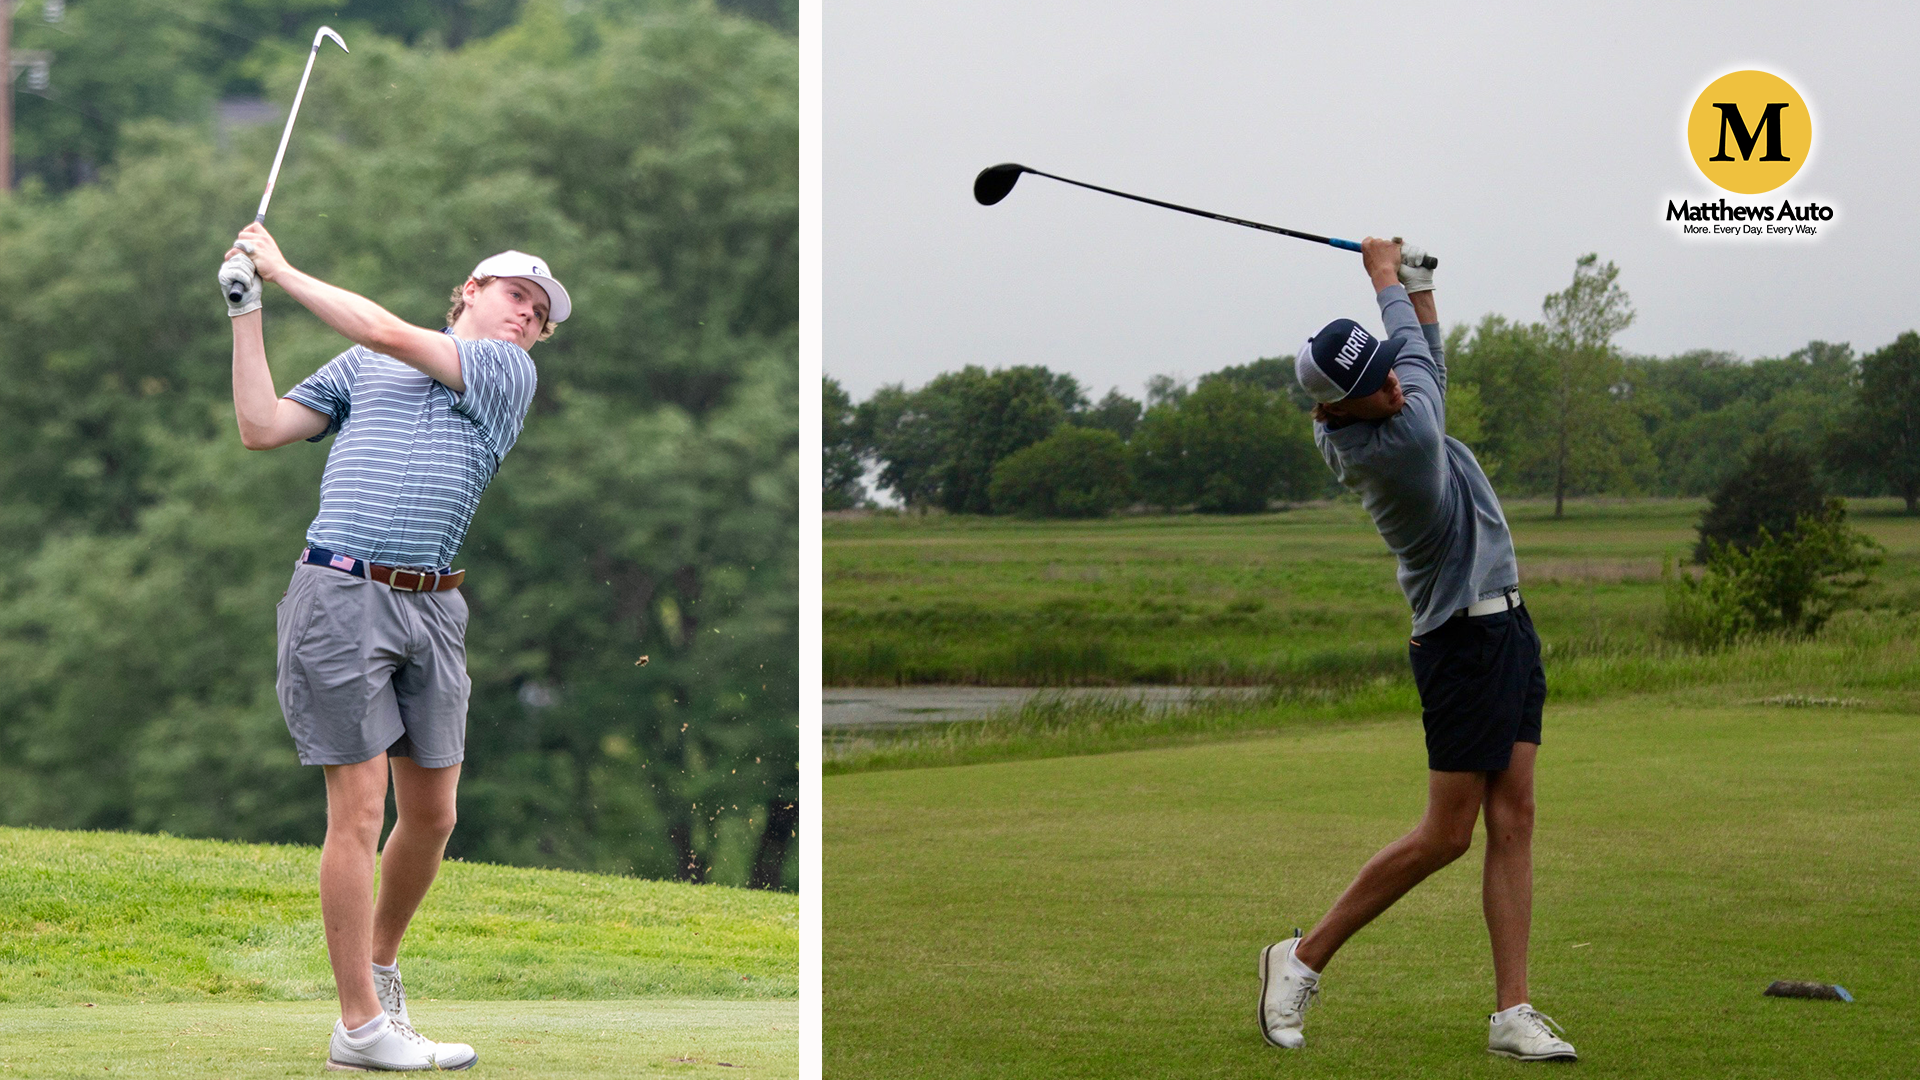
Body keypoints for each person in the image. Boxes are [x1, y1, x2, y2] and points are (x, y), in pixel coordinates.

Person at [219, 222, 571, 1071]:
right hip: (340, 591)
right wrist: (247, 309)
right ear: (471, 291)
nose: (527, 316)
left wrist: (284, 265)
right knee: (360, 810)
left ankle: (379, 975)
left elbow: (382, 329)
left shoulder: (501, 372)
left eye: (540, 312)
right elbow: (262, 426)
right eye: (515, 296)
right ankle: (360, 1023)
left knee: (434, 815)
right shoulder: (360, 370)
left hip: (434, 607)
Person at [1257, 238, 1576, 1062]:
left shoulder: (1383, 405)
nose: (1394, 385)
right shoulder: (1397, 448)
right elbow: (1426, 370)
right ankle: (1300, 958)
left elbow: (1419, 357)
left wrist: (1419, 287)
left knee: (1516, 816)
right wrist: (1384, 276)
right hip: (1461, 642)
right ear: (1341, 409)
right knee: (1447, 835)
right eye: (1376, 387)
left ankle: (1512, 1013)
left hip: (1506, 621)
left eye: (1388, 373)